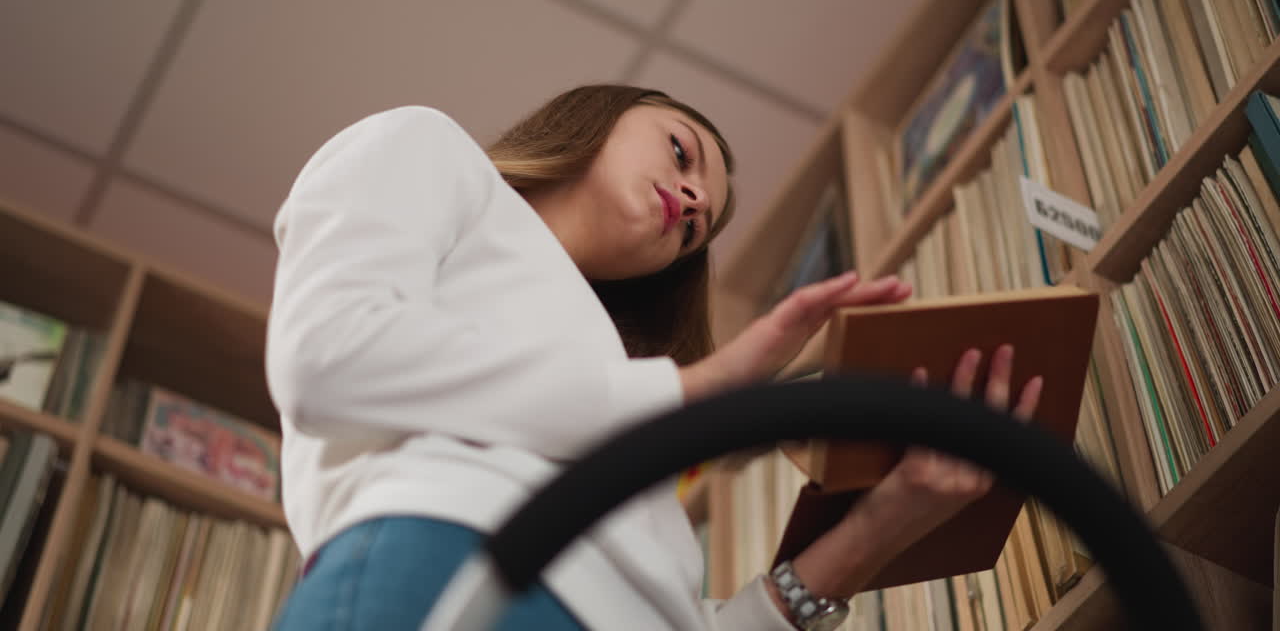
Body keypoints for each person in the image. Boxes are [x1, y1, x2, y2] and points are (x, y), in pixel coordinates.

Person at [264, 85, 1042, 631]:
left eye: (697, 231)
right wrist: (697, 387)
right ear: (598, 112)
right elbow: (328, 358)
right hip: (439, 563)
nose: (694, 200)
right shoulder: (426, 146)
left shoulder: (606, 381)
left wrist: (884, 525)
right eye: (681, 150)